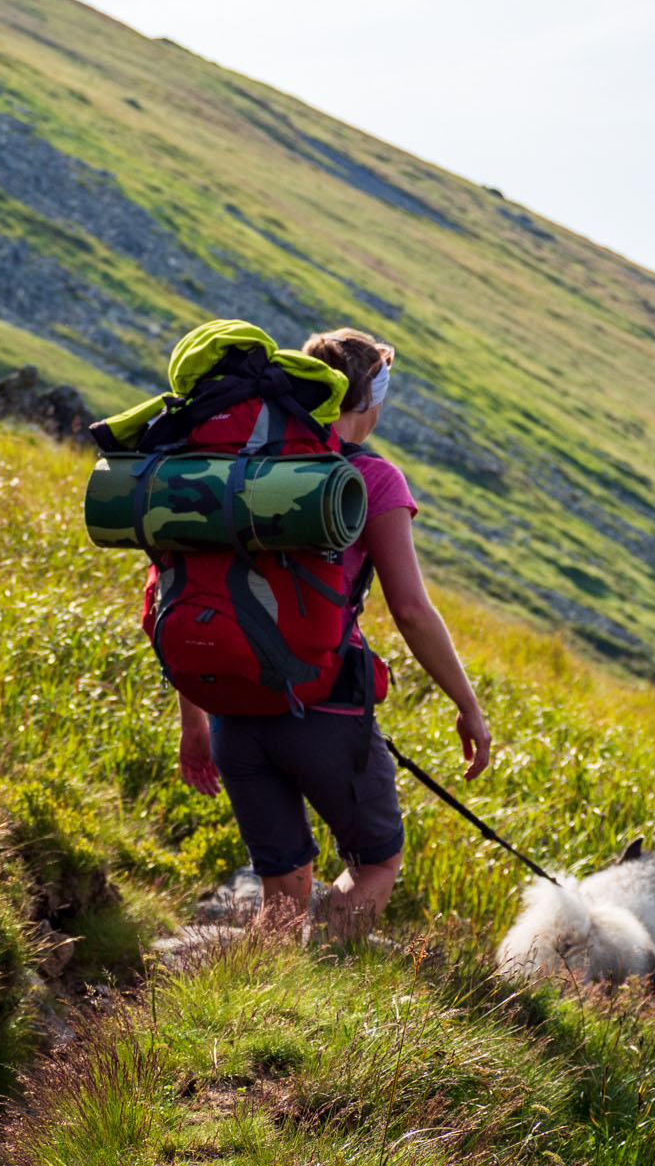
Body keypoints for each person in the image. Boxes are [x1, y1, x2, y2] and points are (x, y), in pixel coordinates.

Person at [176, 328, 493, 938]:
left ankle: (263, 1003)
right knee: (377, 859)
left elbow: (191, 590)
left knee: (284, 889)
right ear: (367, 398)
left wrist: (195, 721)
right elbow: (412, 612)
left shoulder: (235, 468)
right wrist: (468, 707)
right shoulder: (372, 479)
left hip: (230, 710)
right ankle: (321, 978)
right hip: (322, 704)